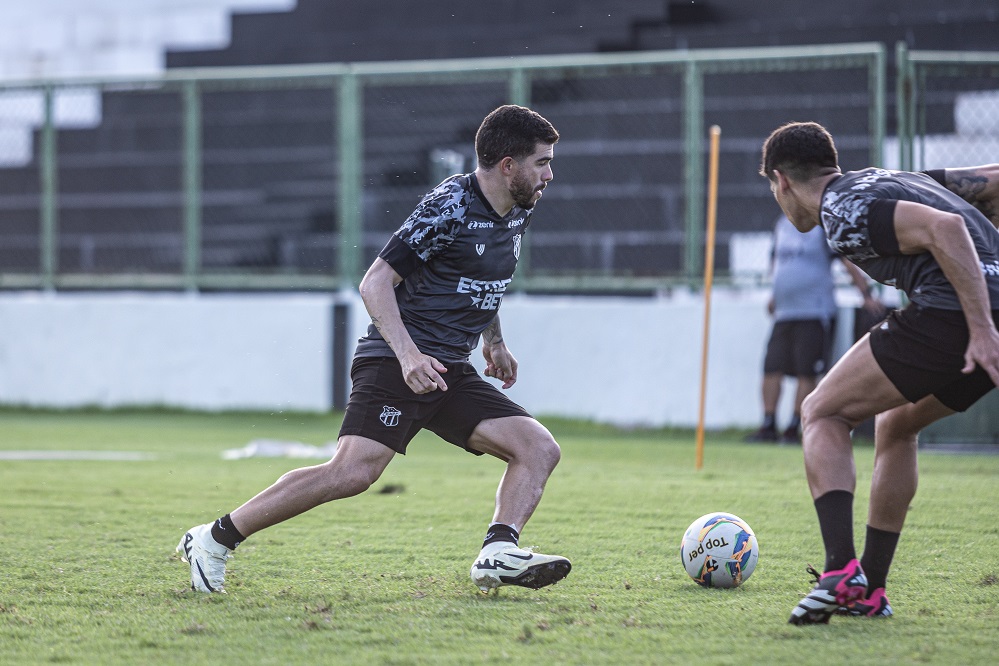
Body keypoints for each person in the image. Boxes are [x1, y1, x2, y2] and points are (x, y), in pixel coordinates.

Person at [178, 105, 571, 595]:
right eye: (542, 162)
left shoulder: (520, 208)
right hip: (396, 359)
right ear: (508, 164)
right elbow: (375, 283)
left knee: (537, 448)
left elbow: (483, 277)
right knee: (352, 472)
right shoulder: (449, 206)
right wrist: (408, 356)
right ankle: (213, 539)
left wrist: (494, 341)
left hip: (448, 367)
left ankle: (497, 552)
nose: (549, 174)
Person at [759, 121, 999, 625]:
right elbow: (994, 178)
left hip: (956, 320)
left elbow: (948, 229)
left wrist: (980, 330)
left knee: (822, 412)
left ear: (781, 181)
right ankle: (871, 588)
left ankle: (840, 572)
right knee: (896, 424)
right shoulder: (901, 178)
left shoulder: (841, 209)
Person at [745, 214, 884, 444]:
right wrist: (775, 295)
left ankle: (793, 428)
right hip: (784, 313)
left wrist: (865, 295)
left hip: (814, 311)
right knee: (771, 367)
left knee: (806, 371)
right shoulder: (781, 225)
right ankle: (768, 425)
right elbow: (779, 264)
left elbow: (846, 262)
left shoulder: (820, 225)